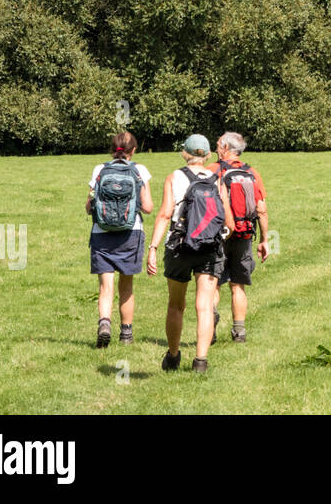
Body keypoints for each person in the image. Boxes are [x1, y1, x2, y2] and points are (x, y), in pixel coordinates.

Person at [147, 134, 231, 373]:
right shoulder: (217, 180)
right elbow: (228, 221)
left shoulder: (174, 177)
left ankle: (173, 356)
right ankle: (201, 361)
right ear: (207, 156)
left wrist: (152, 248)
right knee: (204, 306)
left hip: (179, 246)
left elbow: (164, 215)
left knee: (175, 305)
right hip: (209, 248)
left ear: (184, 153)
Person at [87, 131, 153, 348]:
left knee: (106, 287)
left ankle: (105, 323)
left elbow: (89, 206)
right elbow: (148, 207)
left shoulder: (100, 169)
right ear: (133, 150)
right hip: (130, 234)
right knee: (127, 286)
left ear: (112, 149)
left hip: (101, 233)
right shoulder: (139, 170)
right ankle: (126, 333)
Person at [212, 132, 270, 344]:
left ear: (226, 147)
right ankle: (239, 332)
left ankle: (210, 325)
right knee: (238, 285)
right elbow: (261, 209)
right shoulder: (251, 172)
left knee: (213, 282)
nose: (216, 148)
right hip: (244, 233)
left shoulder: (214, 171)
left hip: (218, 235)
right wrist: (264, 239)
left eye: (218, 144)